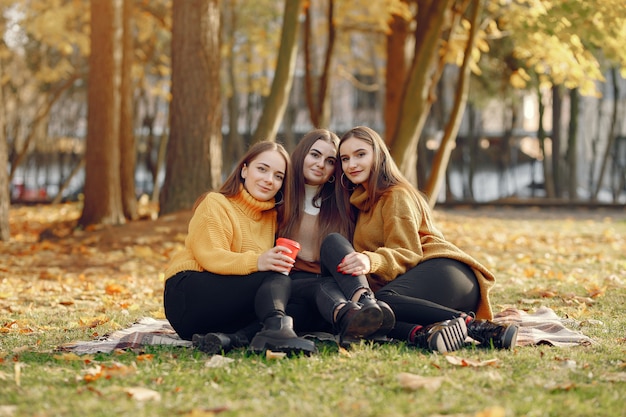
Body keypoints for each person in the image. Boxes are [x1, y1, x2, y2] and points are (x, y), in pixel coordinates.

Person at [325, 126, 518, 353]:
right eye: (345, 159)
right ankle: (424, 335)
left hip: (447, 273)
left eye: (360, 154)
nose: (352, 164)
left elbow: (408, 252)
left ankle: (477, 326)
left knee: (382, 300)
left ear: (378, 155)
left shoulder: (395, 195)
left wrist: (371, 261)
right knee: (373, 315)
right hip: (419, 293)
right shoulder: (360, 203)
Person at [163, 141, 316, 356]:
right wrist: (258, 261)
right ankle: (276, 331)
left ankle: (233, 339)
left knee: (300, 298)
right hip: (189, 296)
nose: (268, 180)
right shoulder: (216, 203)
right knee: (276, 277)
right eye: (262, 169)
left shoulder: (273, 218)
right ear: (244, 170)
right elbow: (211, 257)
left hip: (223, 314)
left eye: (278, 176)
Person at [279, 129, 395, 344]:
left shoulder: (345, 203)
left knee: (334, 243)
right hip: (293, 285)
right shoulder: (279, 198)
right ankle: (357, 318)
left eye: (330, 160)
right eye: (314, 155)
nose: (320, 164)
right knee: (319, 288)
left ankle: (366, 305)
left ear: (335, 169)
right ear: (301, 155)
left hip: (337, 281)